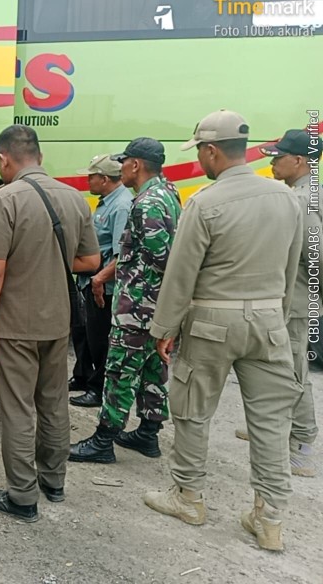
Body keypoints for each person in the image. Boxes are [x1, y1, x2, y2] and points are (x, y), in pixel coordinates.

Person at [144, 110, 303, 552]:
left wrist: (164, 328)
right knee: (271, 423)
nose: (199, 159)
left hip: (211, 323)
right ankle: (269, 519)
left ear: (212, 150)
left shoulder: (205, 202)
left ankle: (188, 498)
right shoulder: (285, 198)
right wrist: (276, 313)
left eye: (199, 151)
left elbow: (181, 274)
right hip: (269, 321)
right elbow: (290, 267)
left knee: (193, 411)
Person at [0, 124, 100, 522]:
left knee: (17, 409)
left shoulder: (4, 199)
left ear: (4, 159)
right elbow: (90, 261)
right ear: (40, 157)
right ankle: (54, 481)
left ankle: (22, 496)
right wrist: (48, 260)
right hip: (58, 320)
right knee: (53, 402)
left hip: (14, 323)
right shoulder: (75, 198)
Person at [69, 138, 181, 463]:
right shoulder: (168, 192)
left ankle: (103, 440)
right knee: (152, 368)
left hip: (138, 305)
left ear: (135, 164)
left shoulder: (146, 203)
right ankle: (148, 433)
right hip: (155, 305)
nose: (122, 169)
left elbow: (162, 257)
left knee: (119, 371)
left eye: (124, 163)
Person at [247, 128, 320, 478]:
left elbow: (315, 257)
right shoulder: (302, 193)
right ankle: (278, 430)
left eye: (279, 157)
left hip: (296, 301)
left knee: (294, 371)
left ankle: (302, 445)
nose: (273, 163)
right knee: (279, 368)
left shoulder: (304, 200)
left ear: (299, 160)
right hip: (291, 299)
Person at [70, 154, 132, 408]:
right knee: (84, 334)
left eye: (91, 177)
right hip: (90, 281)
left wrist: (99, 280)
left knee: (101, 340)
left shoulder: (121, 206)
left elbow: (121, 255)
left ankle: (98, 389)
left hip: (104, 288)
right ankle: (83, 376)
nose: (87, 181)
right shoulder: (107, 202)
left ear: (104, 179)